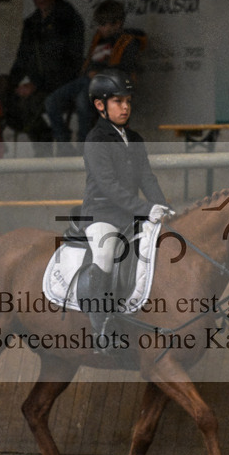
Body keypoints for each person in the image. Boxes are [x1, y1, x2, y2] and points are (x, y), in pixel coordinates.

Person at [80, 69, 171, 347]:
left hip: (130, 214)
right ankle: (101, 328)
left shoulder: (135, 139)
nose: (125, 107)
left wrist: (164, 208)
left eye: (128, 101)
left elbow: (147, 179)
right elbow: (108, 186)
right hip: (102, 214)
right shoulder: (95, 140)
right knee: (105, 253)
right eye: (118, 101)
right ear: (100, 105)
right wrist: (145, 209)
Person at [45, 0, 147, 148]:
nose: (100, 28)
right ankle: (63, 143)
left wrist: (100, 74)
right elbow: (88, 63)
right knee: (51, 102)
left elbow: (126, 70)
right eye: (99, 24)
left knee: (82, 100)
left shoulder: (128, 42)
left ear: (117, 24)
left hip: (109, 86)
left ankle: (83, 145)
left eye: (104, 24)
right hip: (87, 81)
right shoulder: (99, 40)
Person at [7, 0, 85, 150]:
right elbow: (22, 59)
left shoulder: (68, 18)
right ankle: (43, 142)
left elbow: (70, 64)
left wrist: (36, 85)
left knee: (30, 105)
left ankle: (51, 148)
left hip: (64, 85)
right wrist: (10, 84)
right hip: (39, 86)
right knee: (8, 102)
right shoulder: (31, 23)